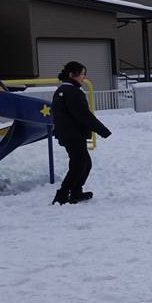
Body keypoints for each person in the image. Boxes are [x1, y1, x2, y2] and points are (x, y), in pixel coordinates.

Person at [50, 61, 111, 205]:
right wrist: (103, 130)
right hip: (72, 134)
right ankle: (62, 195)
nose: (84, 77)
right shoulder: (72, 92)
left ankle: (76, 191)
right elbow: (84, 115)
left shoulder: (63, 90)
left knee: (85, 163)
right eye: (82, 74)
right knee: (78, 164)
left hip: (68, 133)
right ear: (72, 75)